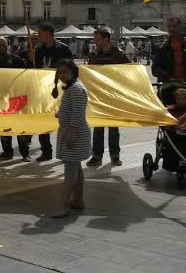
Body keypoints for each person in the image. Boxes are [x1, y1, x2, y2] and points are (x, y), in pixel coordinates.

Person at [51, 59, 91, 218]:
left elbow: (78, 113)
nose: (62, 75)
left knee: (70, 172)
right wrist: (61, 113)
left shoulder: (75, 89)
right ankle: (78, 200)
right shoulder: (73, 88)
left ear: (73, 72)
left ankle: (64, 206)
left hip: (75, 133)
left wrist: (72, 132)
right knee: (76, 168)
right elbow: (74, 109)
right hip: (74, 132)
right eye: (60, 72)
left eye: (65, 72)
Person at [86, 28, 131, 167]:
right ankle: (96, 156)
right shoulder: (93, 55)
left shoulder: (119, 55)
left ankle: (115, 155)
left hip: (114, 96)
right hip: (98, 95)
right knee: (98, 127)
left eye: (98, 39)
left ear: (107, 39)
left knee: (113, 128)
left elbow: (129, 72)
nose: (96, 42)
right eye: (95, 39)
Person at [0, 37, 32, 162]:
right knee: (5, 128)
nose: (1, 47)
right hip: (0, 100)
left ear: (7, 46)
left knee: (20, 127)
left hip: (16, 99)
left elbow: (25, 75)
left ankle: (25, 153)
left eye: (3, 45)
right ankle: (7, 152)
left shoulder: (16, 60)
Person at [33, 23, 73, 162]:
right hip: (43, 90)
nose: (38, 36)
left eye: (40, 33)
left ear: (49, 34)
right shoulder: (38, 49)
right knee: (42, 119)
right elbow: (35, 69)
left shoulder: (63, 49)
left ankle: (67, 150)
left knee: (65, 119)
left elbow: (70, 69)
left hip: (61, 89)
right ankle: (46, 151)